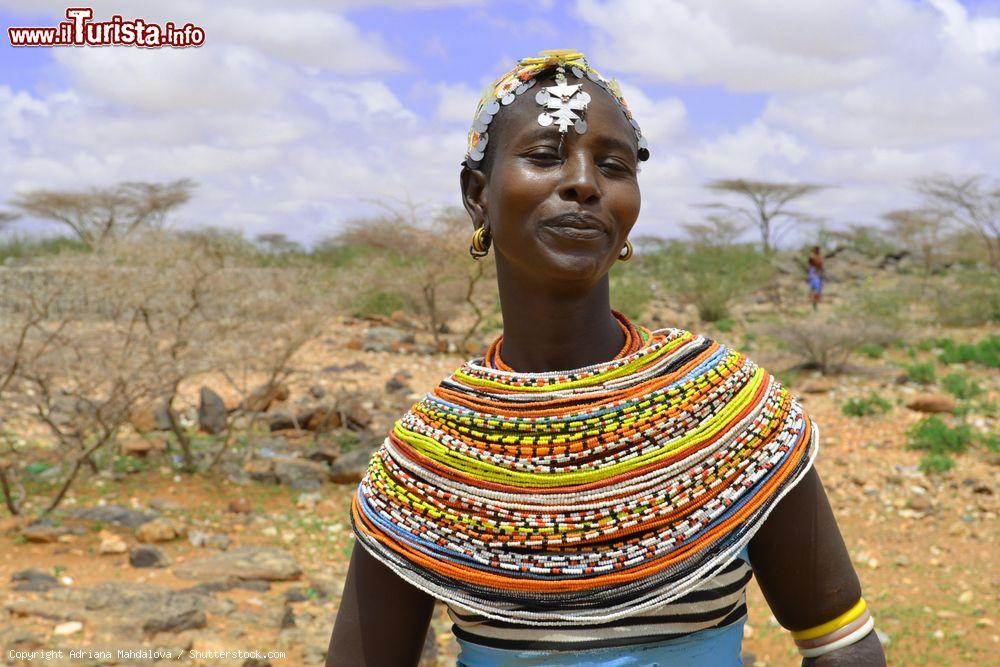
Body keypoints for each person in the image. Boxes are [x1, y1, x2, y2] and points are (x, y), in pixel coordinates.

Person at [327, 50, 885, 667]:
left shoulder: (731, 414)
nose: (585, 183)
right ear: (477, 194)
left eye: (614, 165)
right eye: (544, 156)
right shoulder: (428, 465)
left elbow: (842, 644)